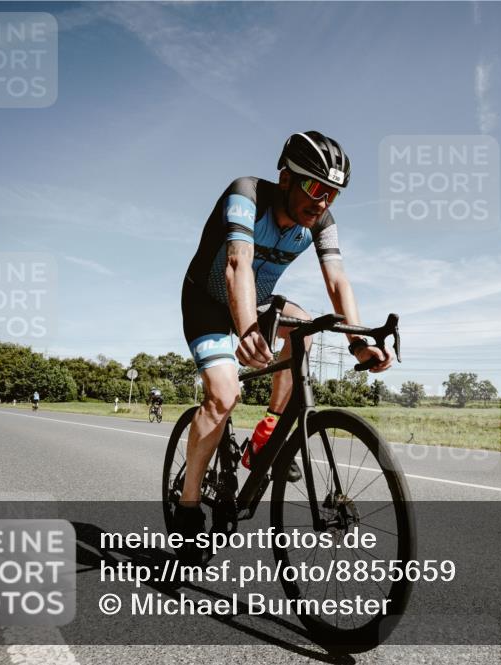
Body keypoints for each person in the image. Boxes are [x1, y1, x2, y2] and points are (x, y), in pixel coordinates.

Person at [176, 131, 392, 558]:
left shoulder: (322, 224)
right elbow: (237, 261)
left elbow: (337, 281)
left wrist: (359, 342)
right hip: (208, 301)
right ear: (286, 178)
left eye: (332, 193)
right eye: (315, 187)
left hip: (256, 302)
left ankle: (266, 437)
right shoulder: (246, 195)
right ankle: (186, 509)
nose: (323, 201)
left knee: (306, 331)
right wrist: (248, 330)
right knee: (223, 395)